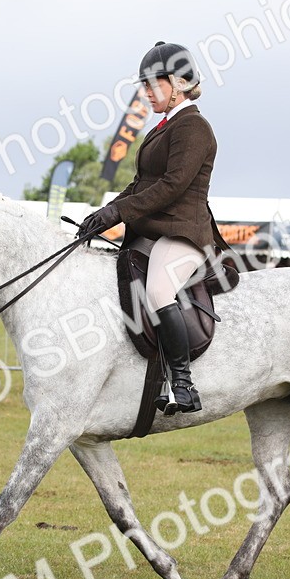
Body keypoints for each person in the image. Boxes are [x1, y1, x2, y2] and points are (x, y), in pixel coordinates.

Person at [79, 41, 220, 414]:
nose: (146, 93)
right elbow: (141, 183)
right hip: (153, 232)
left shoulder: (194, 128)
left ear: (176, 84)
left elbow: (172, 187)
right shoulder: (165, 127)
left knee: (158, 292)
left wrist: (120, 213)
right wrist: (106, 212)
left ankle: (184, 385)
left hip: (182, 233)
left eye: (152, 85)